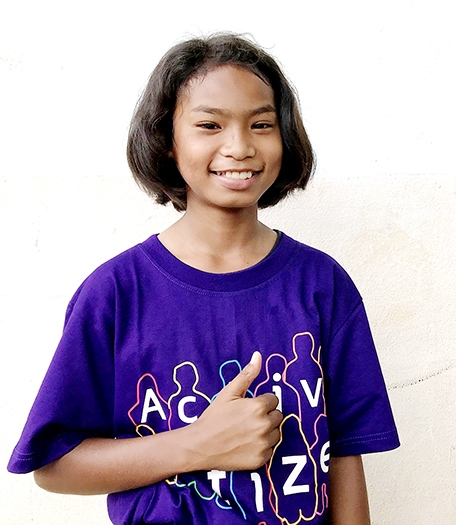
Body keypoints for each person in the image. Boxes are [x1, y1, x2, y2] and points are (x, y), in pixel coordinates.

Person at [7, 33, 400, 525]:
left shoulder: (323, 285)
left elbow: (344, 456)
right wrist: (200, 444)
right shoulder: (116, 293)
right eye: (210, 125)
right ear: (167, 141)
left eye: (261, 124)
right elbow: (54, 465)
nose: (239, 146)